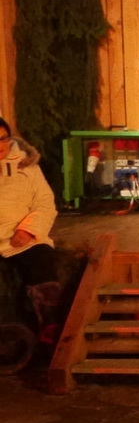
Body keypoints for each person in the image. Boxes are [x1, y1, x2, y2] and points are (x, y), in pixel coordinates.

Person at [0, 118, 62, 353]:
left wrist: (28, 229)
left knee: (42, 259)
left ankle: (49, 329)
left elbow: (45, 204)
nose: (0, 145)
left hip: (20, 238)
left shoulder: (27, 166)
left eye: (4, 139)